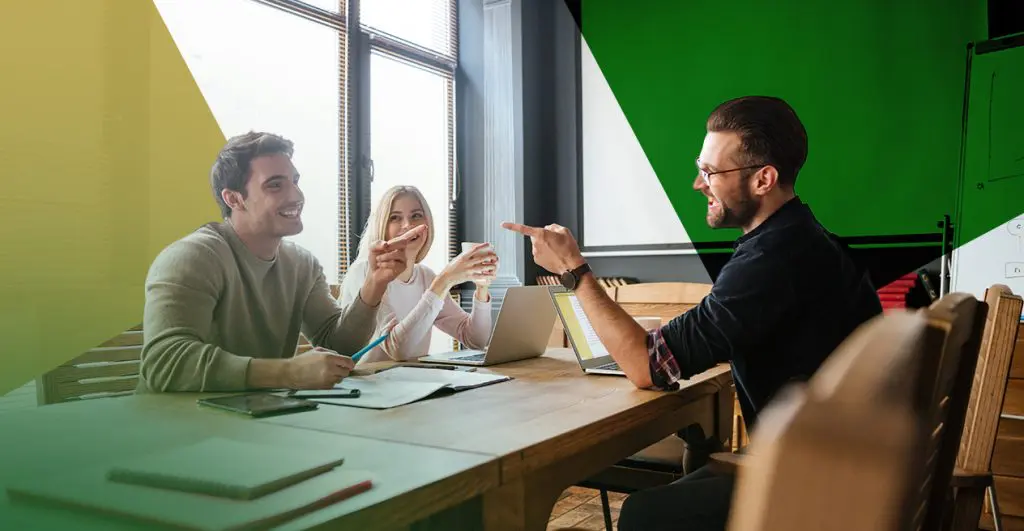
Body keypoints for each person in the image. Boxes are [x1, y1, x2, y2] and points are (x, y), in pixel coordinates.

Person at [504, 96, 883, 531]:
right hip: (844, 458)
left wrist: (575, 271)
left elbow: (647, 365)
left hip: (817, 477)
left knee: (646, 515)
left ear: (764, 179)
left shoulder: (772, 260)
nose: (697, 184)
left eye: (710, 172)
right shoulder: (805, 241)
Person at [138, 131, 422, 393]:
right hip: (179, 430)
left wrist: (375, 283)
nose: (296, 195)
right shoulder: (193, 257)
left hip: (260, 422)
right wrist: (288, 372)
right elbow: (165, 362)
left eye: (295, 181)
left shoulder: (301, 264)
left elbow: (339, 346)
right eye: (275, 185)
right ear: (234, 199)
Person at [338, 185, 498, 364]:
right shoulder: (365, 273)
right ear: (382, 226)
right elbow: (398, 350)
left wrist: (482, 287)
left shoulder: (425, 276)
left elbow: (474, 339)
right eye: (395, 218)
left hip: (413, 382)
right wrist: (444, 280)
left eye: (416, 216)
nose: (407, 225)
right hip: (369, 386)